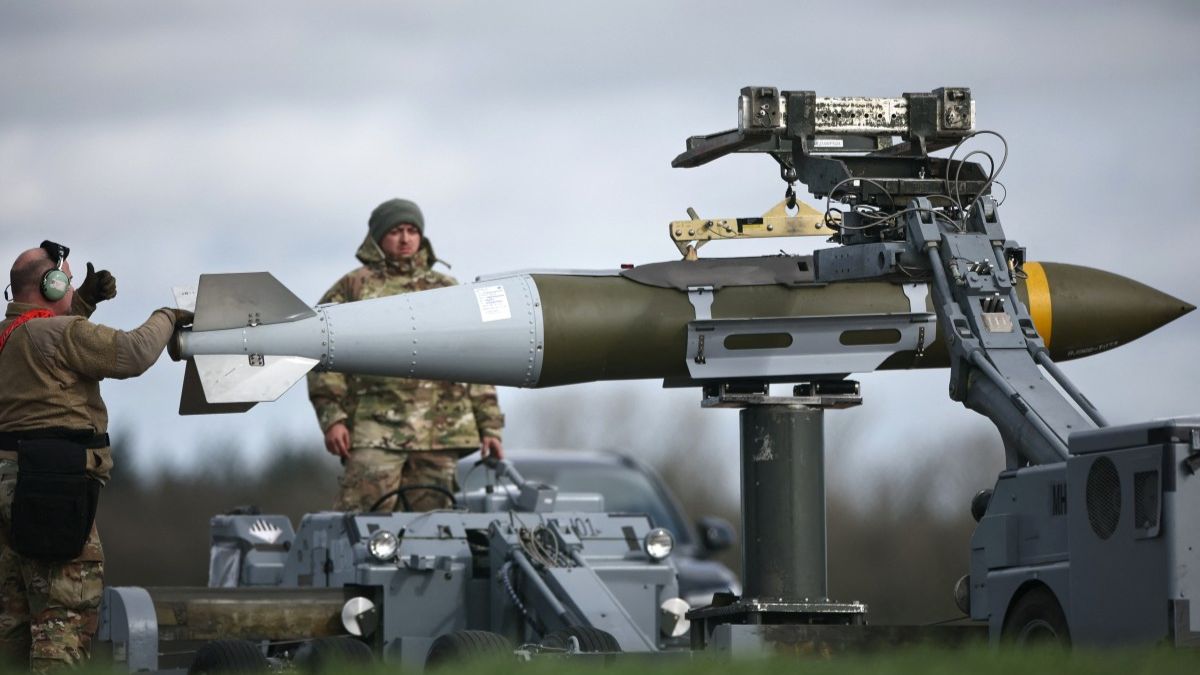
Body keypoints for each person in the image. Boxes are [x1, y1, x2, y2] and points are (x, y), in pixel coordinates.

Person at [0, 242, 191, 672]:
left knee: (13, 620)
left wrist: (83, 301)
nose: (68, 287)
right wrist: (168, 316)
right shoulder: (57, 334)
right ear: (50, 286)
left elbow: (48, 344)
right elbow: (132, 353)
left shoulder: (10, 334)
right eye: (65, 280)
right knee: (62, 617)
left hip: (10, 484)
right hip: (52, 489)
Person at [307, 199, 505, 513]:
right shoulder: (353, 288)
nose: (405, 239)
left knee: (434, 529)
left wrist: (490, 427)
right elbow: (318, 347)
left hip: (441, 430)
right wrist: (333, 419)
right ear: (377, 238)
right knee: (363, 519)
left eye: (412, 230)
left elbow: (477, 358)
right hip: (375, 427)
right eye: (396, 231)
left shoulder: (446, 289)